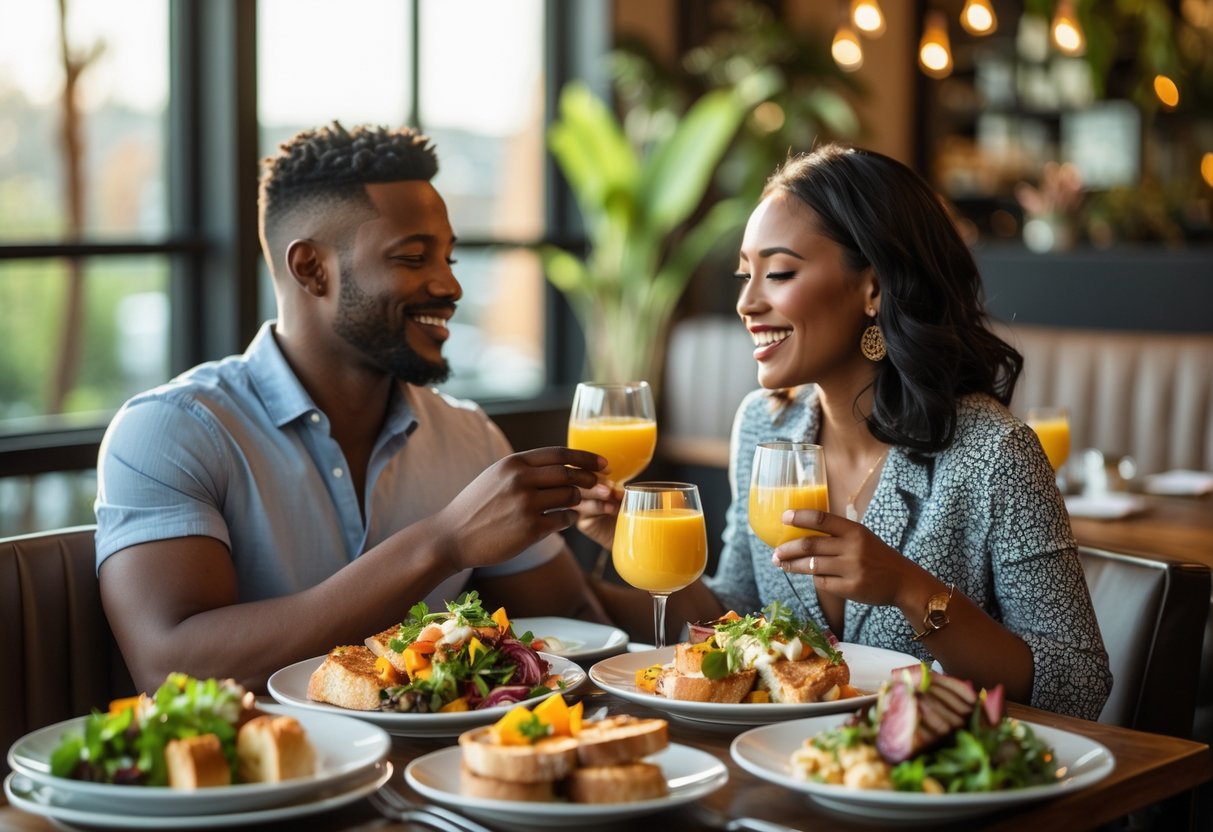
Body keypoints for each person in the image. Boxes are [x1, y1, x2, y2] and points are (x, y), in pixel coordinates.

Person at [583, 144, 1111, 720]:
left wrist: (910, 590)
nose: (747, 302)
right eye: (745, 274)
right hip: (784, 767)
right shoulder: (763, 425)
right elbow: (735, 615)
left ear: (875, 288)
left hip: (930, 786)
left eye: (779, 273)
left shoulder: (993, 453)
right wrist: (628, 547)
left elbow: (1078, 683)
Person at [96, 123, 612, 693]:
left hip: (448, 776)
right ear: (310, 269)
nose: (449, 286)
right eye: (414, 258)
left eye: (450, 259)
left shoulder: (471, 438)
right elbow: (171, 669)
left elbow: (579, 633)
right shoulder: (170, 432)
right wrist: (441, 543)